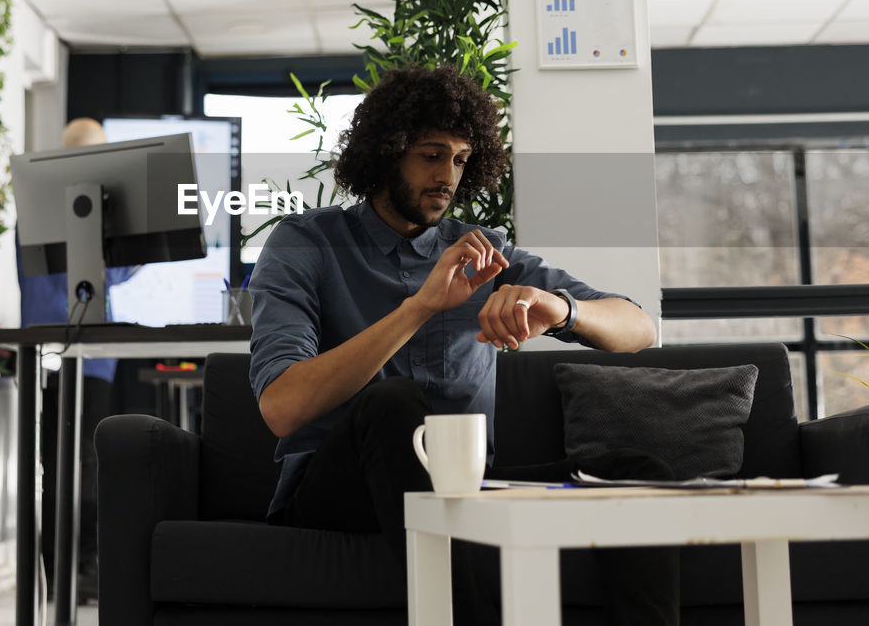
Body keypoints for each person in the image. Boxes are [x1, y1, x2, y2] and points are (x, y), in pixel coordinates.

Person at [248, 66, 677, 625]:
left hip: (468, 488)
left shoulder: (485, 253)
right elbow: (282, 408)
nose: (447, 175)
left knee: (635, 470)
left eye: (460, 159)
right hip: (338, 490)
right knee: (393, 404)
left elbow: (639, 328)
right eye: (431, 154)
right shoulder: (306, 243)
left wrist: (562, 310)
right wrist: (421, 306)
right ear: (386, 152)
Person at [16, 117, 136, 602]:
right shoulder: (69, 210)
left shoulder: (40, 206)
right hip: (66, 353)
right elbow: (110, 272)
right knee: (76, 464)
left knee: (65, 465)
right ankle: (73, 568)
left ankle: (66, 568)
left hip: (78, 355)